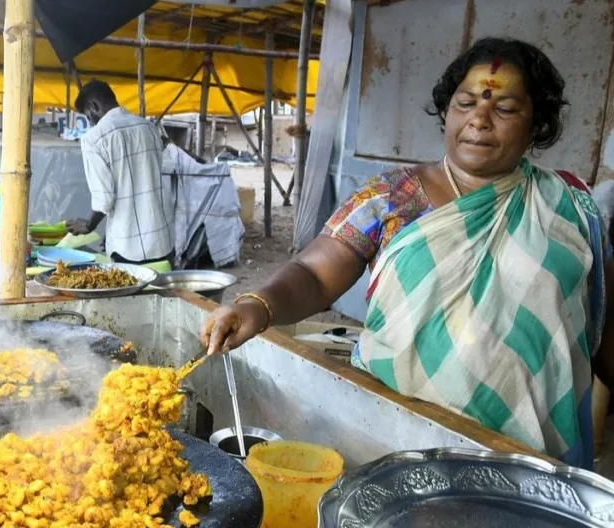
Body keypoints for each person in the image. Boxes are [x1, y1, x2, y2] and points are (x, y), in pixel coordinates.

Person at [200, 37, 614, 468]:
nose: (479, 120)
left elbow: (604, 328)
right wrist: (257, 305)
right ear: (446, 111)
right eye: (465, 103)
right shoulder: (393, 197)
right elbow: (316, 273)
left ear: (537, 124)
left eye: (505, 108)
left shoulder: (569, 208)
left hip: (527, 460)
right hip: (394, 440)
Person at [69, 80, 175, 266]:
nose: (91, 122)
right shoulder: (149, 128)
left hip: (129, 251)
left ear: (93, 106)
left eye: (88, 116)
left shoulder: (94, 139)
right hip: (162, 243)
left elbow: (105, 199)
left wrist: (88, 225)